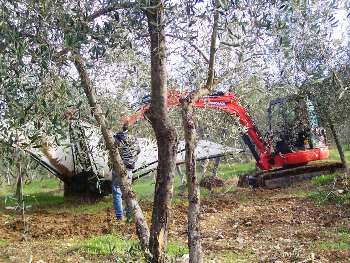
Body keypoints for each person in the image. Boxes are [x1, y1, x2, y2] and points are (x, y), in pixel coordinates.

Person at [112, 122, 140, 220]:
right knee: (128, 191)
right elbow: (138, 150)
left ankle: (120, 216)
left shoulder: (116, 138)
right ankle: (129, 215)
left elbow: (112, 150)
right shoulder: (133, 138)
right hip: (129, 168)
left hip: (118, 167)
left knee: (117, 191)